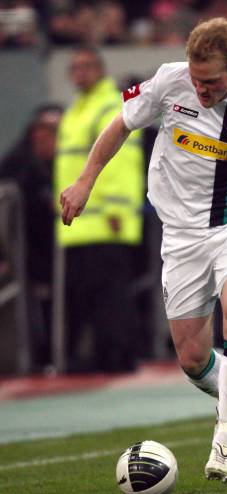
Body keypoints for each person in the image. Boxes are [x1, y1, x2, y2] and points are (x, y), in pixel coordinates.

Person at [59, 18, 227, 483]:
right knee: (191, 358)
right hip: (181, 233)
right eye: (195, 78)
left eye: (210, 81)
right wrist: (86, 180)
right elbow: (120, 124)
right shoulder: (169, 80)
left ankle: (226, 437)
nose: (199, 88)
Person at [55, 46, 145, 373]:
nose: (79, 73)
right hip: (79, 224)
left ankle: (119, 358)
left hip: (106, 221)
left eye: (86, 67)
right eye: (74, 68)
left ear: (100, 69)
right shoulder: (76, 110)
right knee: (89, 296)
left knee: (112, 297)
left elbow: (120, 165)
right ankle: (101, 357)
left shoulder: (108, 106)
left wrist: (116, 212)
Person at [0, 104, 63, 370]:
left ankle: (49, 357)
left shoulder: (64, 165)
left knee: (51, 304)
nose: (44, 140)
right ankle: (33, 359)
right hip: (21, 253)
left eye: (51, 133)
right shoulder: (16, 166)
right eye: (40, 133)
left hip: (53, 252)